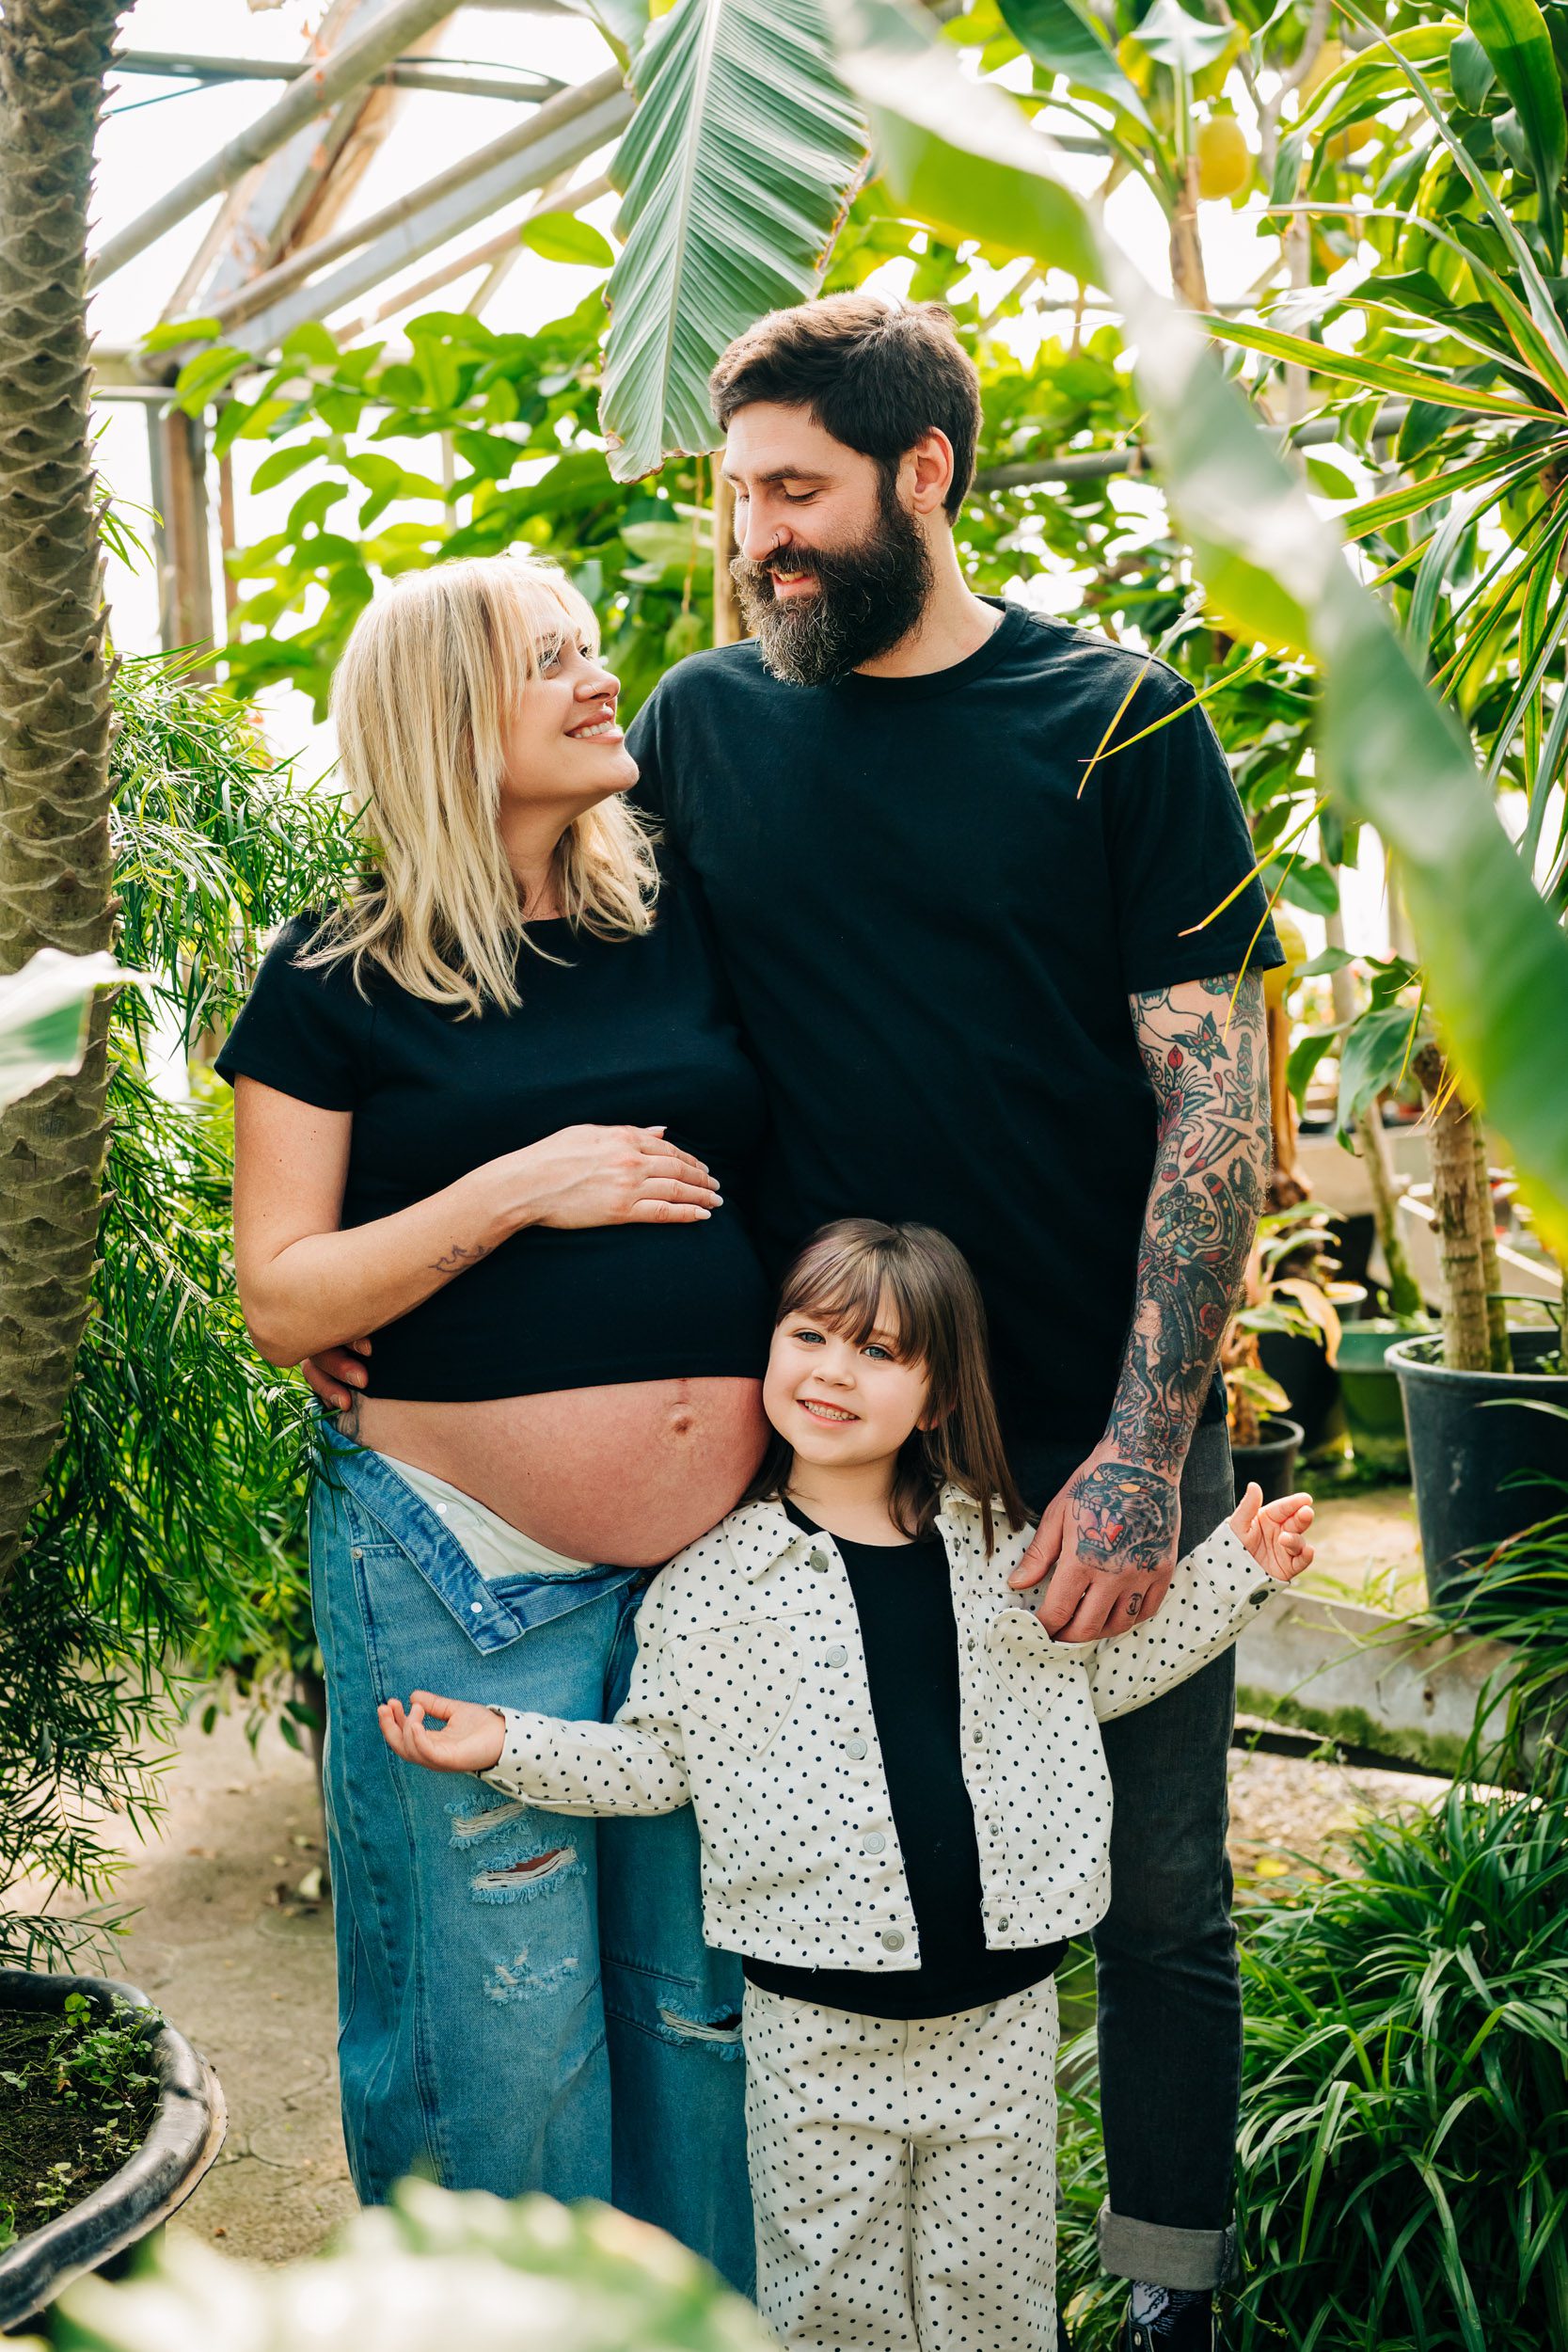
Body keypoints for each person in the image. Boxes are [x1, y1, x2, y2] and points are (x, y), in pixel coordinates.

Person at [376, 1219, 1315, 2352]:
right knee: (832, 2309)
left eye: (877, 1350)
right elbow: (658, 1761)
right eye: (808, 1334)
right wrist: (504, 1742)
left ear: (932, 1396)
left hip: (999, 2027)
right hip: (812, 2036)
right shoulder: (708, 1584)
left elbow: (1098, 1677)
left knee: (993, 2311)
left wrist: (1234, 1573)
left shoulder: (1002, 1544)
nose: (830, 1370)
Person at [218, 553, 773, 2288]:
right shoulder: (330, 979)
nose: (604, 681)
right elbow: (284, 1294)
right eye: (556, 662)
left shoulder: (677, 919)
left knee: (699, 2021)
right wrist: (514, 1188)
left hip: (719, 1580)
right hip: (466, 1571)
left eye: (591, 651)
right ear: (451, 717)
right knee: (501, 2050)